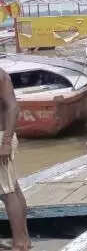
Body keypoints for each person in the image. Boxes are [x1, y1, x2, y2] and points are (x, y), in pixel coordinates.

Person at [0, 69, 29, 251]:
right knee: (13, 188)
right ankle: (24, 240)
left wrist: (6, 142)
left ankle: (20, 243)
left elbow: (13, 107)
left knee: (6, 193)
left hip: (2, 138)